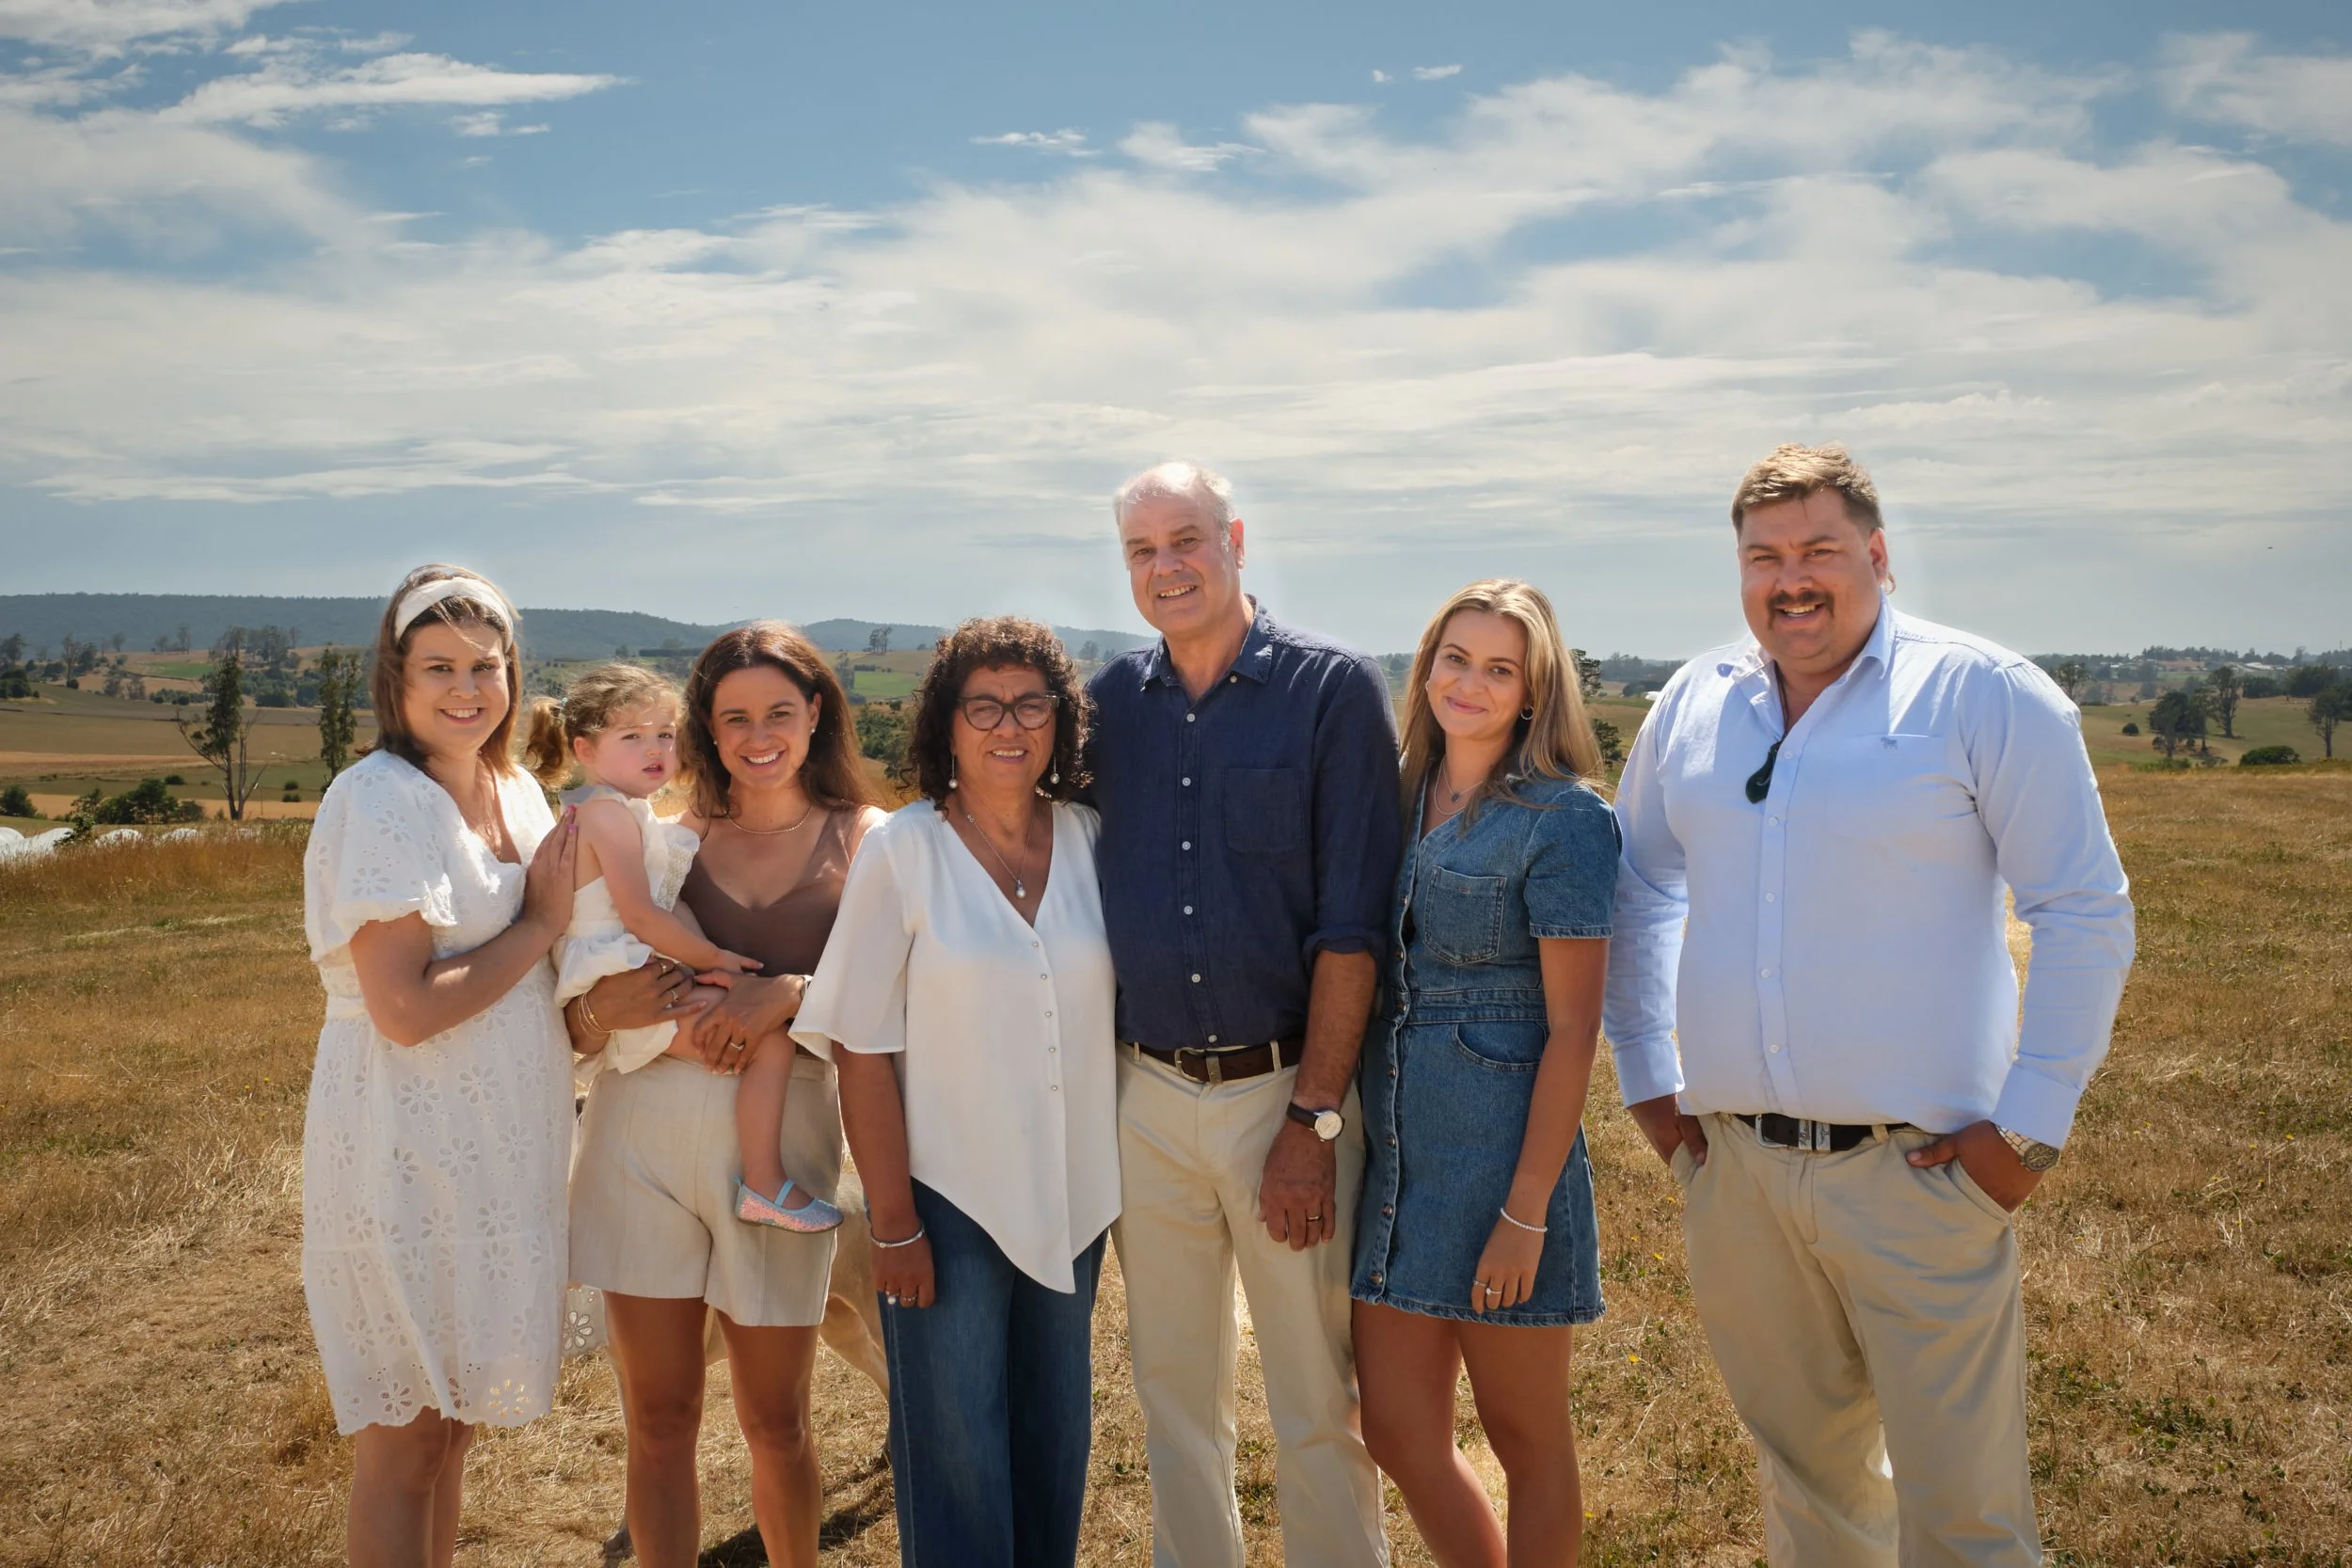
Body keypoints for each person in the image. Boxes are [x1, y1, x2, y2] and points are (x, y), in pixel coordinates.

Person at [1604, 444, 2136, 1567]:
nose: (1789, 579)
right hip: (1737, 1171)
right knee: (1809, 1493)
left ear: (1878, 556)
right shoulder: (1695, 701)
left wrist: (2027, 1128)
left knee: (1965, 1514)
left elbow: (2084, 909)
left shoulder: (1982, 694)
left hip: (1924, 1176)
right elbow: (1638, 883)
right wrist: (1649, 1080)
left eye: (1818, 550)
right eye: (1763, 557)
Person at [1086, 461, 1400, 1568]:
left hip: (1286, 1094)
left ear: (1236, 540)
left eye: (1185, 540)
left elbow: (1353, 927)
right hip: (1146, 1096)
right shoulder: (1109, 705)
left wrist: (1312, 1123)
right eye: (1140, 550)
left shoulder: (1330, 690)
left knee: (1316, 1391)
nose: (1164, 567)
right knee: (1172, 1390)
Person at [793, 616, 1119, 1567]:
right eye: (984, 705)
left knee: (1056, 1435)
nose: (1008, 725)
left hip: (1075, 1194)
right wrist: (891, 1221)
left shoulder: (1094, 839)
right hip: (945, 1200)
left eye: (1031, 703)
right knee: (957, 1454)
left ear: (1060, 720)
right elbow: (858, 1042)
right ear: (947, 721)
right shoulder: (904, 849)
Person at [564, 622, 882, 1568]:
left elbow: (895, 1000)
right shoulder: (662, 836)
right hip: (638, 1130)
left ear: (816, 710)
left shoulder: (870, 839)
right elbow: (580, 988)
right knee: (658, 1415)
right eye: (732, 715)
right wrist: (593, 1015)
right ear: (706, 724)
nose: (756, 735)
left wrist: (790, 993)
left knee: (775, 1418)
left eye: (779, 711)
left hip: (780, 1143)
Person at [300, 564, 579, 1568]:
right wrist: (542, 919)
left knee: (453, 1422)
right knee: (409, 1434)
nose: (465, 687)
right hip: (406, 1140)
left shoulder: (516, 791)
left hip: (501, 1150)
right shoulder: (379, 800)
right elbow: (405, 1009)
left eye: (485, 665)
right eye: (438, 667)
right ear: (395, 677)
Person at [1353, 580, 1617, 1566]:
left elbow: (1573, 1024)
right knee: (1395, 1426)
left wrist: (1525, 1208)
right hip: (1396, 1159)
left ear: (1534, 691)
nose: (1470, 682)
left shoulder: (1564, 818)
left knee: (1527, 1438)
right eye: (1454, 658)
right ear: (1426, 667)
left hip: (1503, 1165)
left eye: (1499, 667)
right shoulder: (1398, 797)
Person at [523, 663, 841, 1233]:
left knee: (757, 1034)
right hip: (619, 970)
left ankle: (761, 1182)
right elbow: (643, 916)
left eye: (664, 735)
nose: (655, 750)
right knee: (768, 1046)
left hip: (637, 962)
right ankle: (765, 1184)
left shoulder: (627, 814)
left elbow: (665, 905)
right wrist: (714, 959)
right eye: (631, 737)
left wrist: (698, 953)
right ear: (585, 749)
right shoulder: (606, 817)